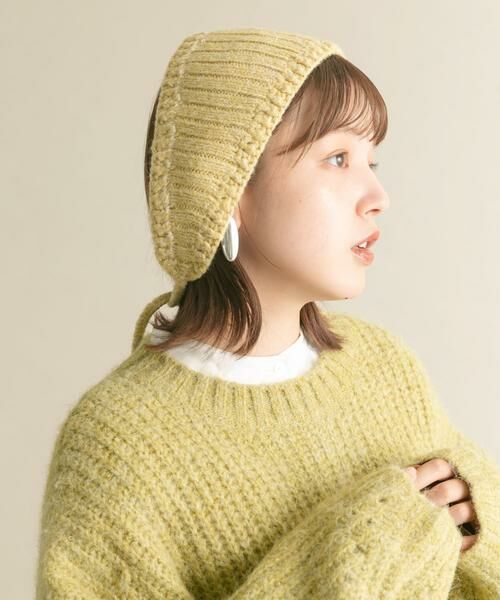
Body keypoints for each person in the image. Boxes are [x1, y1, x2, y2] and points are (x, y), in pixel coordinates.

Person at [36, 27, 499, 599]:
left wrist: (476, 511)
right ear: (228, 193)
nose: (377, 196)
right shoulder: (117, 445)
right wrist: (362, 549)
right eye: (337, 158)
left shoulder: (384, 367)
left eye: (372, 160)